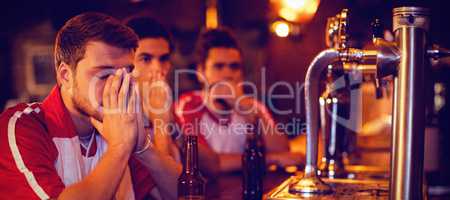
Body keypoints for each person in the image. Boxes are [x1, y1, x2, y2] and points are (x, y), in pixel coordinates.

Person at [0, 12, 180, 199]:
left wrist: (142, 147)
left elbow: (183, 194)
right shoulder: (22, 127)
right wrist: (119, 147)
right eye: (103, 76)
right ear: (65, 76)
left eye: (126, 75)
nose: (117, 87)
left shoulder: (117, 126)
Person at [174, 28, 303, 176]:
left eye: (234, 67)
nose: (228, 74)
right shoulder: (187, 104)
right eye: (219, 66)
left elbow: (282, 150)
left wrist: (247, 109)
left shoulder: (253, 106)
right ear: (201, 72)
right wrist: (271, 159)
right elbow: (210, 163)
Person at [125, 16, 180, 162]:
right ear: (125, 63)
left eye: (163, 59)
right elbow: (169, 183)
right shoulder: (119, 115)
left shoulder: (164, 101)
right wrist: (160, 123)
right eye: (145, 59)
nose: (158, 69)